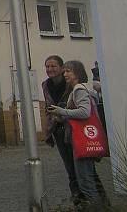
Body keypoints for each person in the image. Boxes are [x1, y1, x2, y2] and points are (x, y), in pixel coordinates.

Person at [47, 59, 107, 207]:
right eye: (65, 71)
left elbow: (85, 112)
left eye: (68, 71)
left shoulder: (79, 89)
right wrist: (60, 117)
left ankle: (99, 208)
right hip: (82, 137)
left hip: (81, 139)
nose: (65, 74)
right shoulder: (80, 88)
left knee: (86, 183)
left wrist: (61, 111)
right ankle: (101, 206)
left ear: (77, 74)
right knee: (88, 178)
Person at [42, 55, 80, 203]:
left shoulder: (69, 83)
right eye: (47, 66)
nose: (49, 69)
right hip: (58, 130)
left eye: (53, 66)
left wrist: (63, 115)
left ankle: (95, 198)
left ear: (61, 68)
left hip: (73, 128)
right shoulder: (45, 85)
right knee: (69, 167)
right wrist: (49, 127)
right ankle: (77, 198)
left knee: (81, 166)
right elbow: (48, 106)